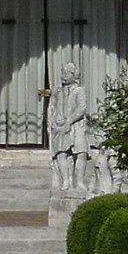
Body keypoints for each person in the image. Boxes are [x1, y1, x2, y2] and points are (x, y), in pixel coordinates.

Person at [48, 62, 92, 193]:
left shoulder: (80, 90)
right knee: (61, 152)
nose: (64, 75)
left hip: (76, 125)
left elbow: (81, 108)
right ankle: (65, 180)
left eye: (67, 73)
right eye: (63, 72)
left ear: (75, 75)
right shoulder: (57, 90)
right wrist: (52, 123)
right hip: (60, 126)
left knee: (81, 152)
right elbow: (52, 106)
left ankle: (79, 181)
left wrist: (69, 122)